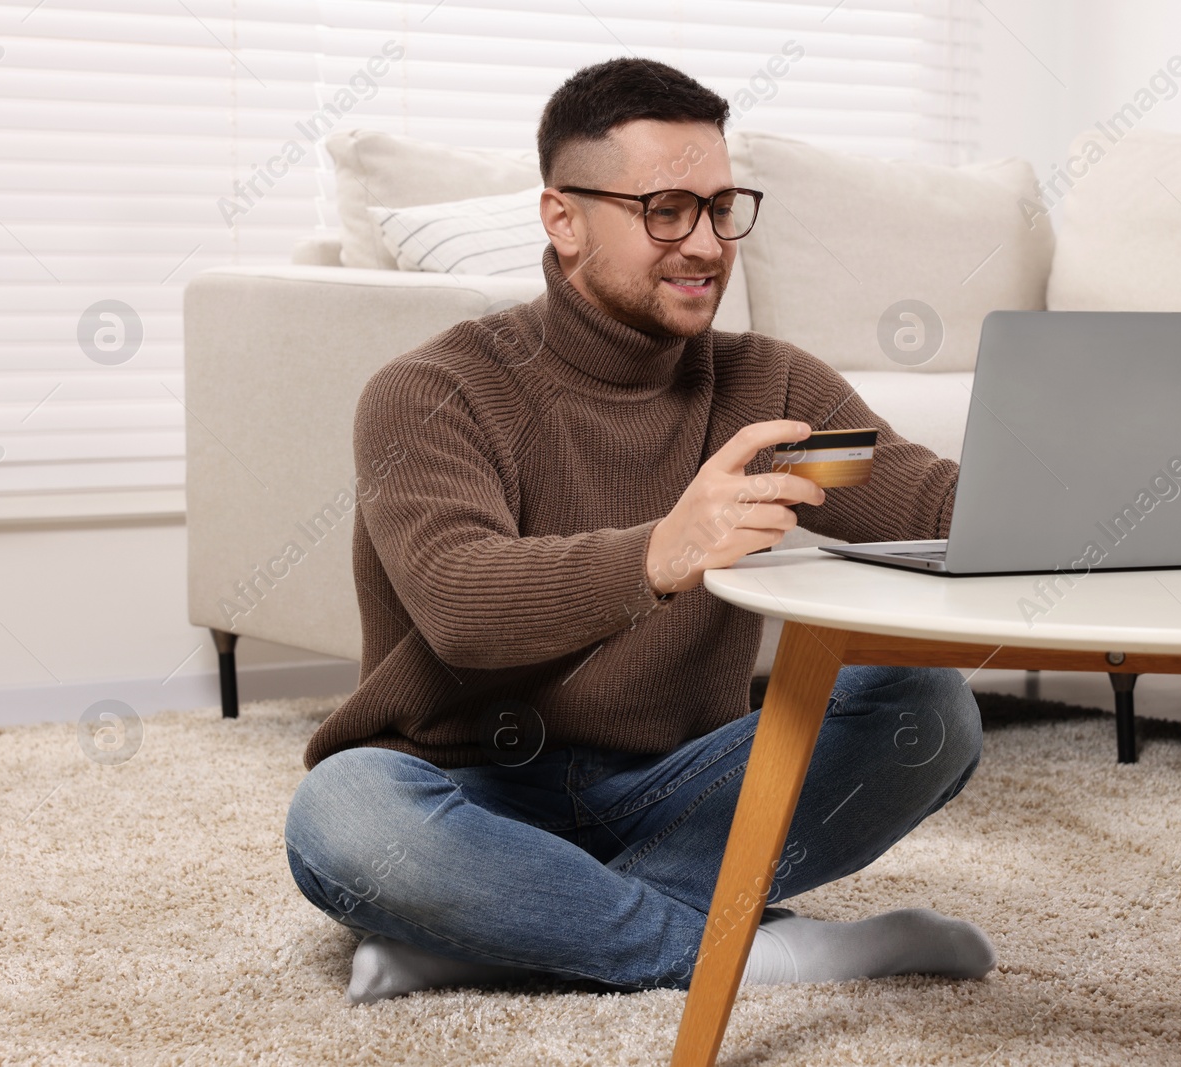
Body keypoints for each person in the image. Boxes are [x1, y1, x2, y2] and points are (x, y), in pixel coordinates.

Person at [283, 56, 996, 1004]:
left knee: (924, 707)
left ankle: (508, 936)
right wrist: (665, 549)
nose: (704, 243)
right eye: (665, 210)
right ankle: (763, 953)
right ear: (562, 217)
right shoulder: (432, 392)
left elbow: (923, 502)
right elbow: (461, 601)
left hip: (677, 788)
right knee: (344, 817)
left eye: (721, 206)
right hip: (466, 792)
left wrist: (1109, 474)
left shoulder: (772, 388)